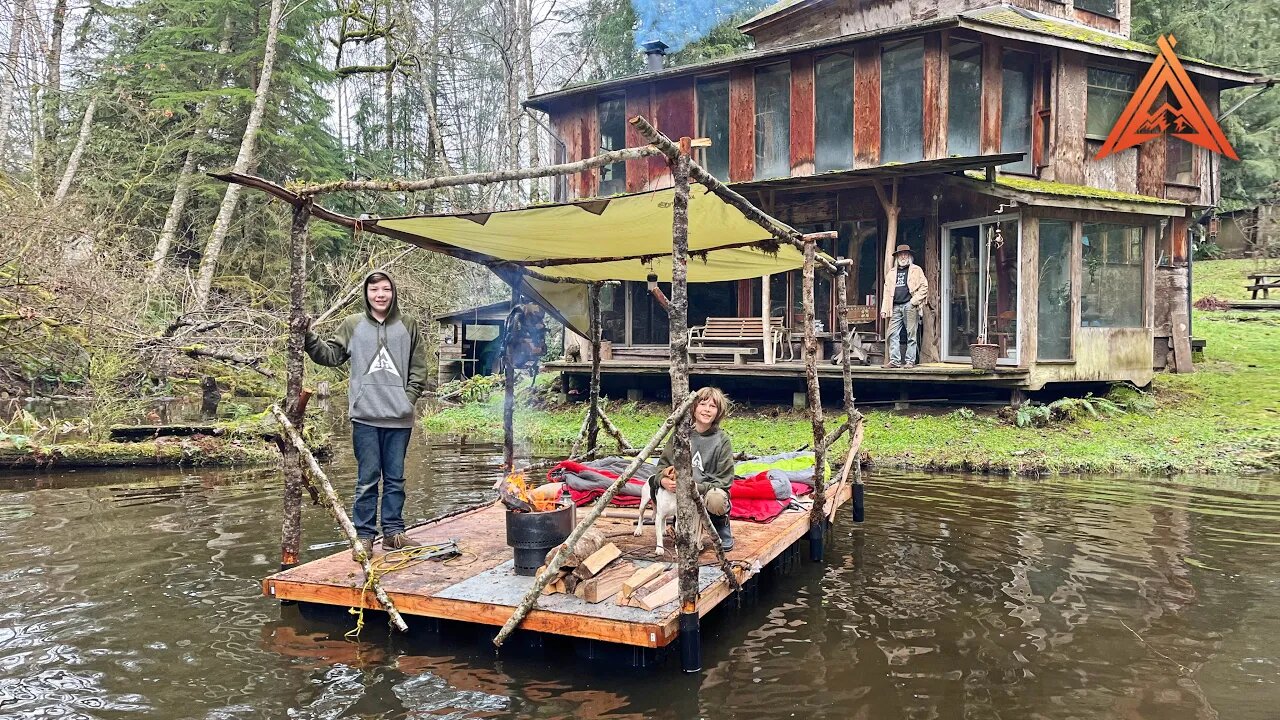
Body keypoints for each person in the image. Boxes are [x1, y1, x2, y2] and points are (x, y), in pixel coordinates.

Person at [304, 272, 429, 560]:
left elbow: (419, 368)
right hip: (365, 416)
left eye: (386, 289)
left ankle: (394, 534)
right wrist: (308, 337)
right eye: (375, 289)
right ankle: (364, 537)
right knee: (367, 478)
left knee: (396, 478)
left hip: (399, 417)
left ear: (393, 292)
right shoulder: (352, 324)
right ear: (367, 293)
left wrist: (407, 400)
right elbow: (330, 356)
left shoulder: (408, 325)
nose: (380, 294)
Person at [655, 386, 736, 550]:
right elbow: (661, 467)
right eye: (703, 404)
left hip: (704, 494)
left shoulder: (722, 441)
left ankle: (719, 524)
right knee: (690, 548)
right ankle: (679, 521)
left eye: (712, 406)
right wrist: (662, 480)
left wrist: (694, 487)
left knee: (716, 499)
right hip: (679, 496)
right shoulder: (680, 434)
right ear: (693, 407)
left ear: (718, 412)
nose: (707, 410)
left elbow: (724, 482)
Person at [880, 243, 928, 368]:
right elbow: (887, 292)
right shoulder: (891, 272)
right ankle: (895, 361)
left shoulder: (916, 270)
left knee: (911, 334)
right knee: (892, 333)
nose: (903, 257)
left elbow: (924, 287)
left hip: (909, 304)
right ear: (897, 257)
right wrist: (884, 308)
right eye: (901, 254)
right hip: (895, 306)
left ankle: (910, 361)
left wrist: (914, 301)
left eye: (905, 254)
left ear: (909, 256)